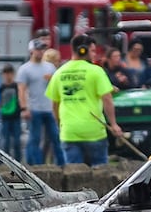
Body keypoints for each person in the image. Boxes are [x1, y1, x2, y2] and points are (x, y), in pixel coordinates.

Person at [48, 33, 123, 166]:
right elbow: (107, 98)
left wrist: (60, 123)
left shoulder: (59, 73)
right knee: (100, 175)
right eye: (93, 50)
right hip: (94, 132)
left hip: (69, 132)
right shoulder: (96, 71)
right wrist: (113, 124)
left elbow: (54, 104)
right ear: (83, 50)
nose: (94, 54)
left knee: (74, 176)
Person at [19, 38, 60, 165]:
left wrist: (52, 80)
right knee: (35, 138)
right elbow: (21, 90)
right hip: (34, 109)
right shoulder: (25, 69)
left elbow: (57, 87)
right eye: (38, 49)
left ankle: (61, 164)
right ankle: (36, 165)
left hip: (49, 109)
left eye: (42, 49)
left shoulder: (50, 67)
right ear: (31, 51)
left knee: (55, 138)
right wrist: (24, 108)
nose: (41, 52)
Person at [0, 63, 22, 158]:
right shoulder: (1, 88)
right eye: (6, 73)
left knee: (17, 142)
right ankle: (5, 160)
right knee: (5, 141)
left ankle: (18, 161)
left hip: (16, 117)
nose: (8, 76)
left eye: (10, 73)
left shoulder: (16, 86)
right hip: (5, 118)